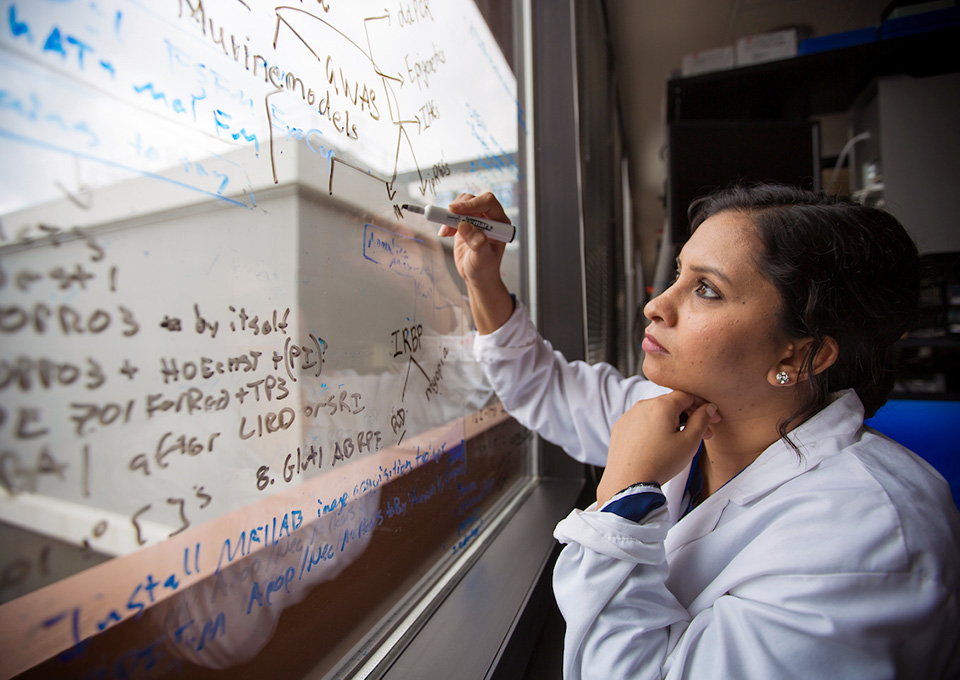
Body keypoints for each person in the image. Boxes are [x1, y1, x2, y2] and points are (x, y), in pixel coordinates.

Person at [439, 183, 960, 680]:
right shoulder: (689, 414)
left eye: (706, 290)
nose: (656, 306)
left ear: (801, 355)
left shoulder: (870, 540)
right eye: (679, 275)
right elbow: (546, 390)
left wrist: (625, 498)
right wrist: (483, 278)